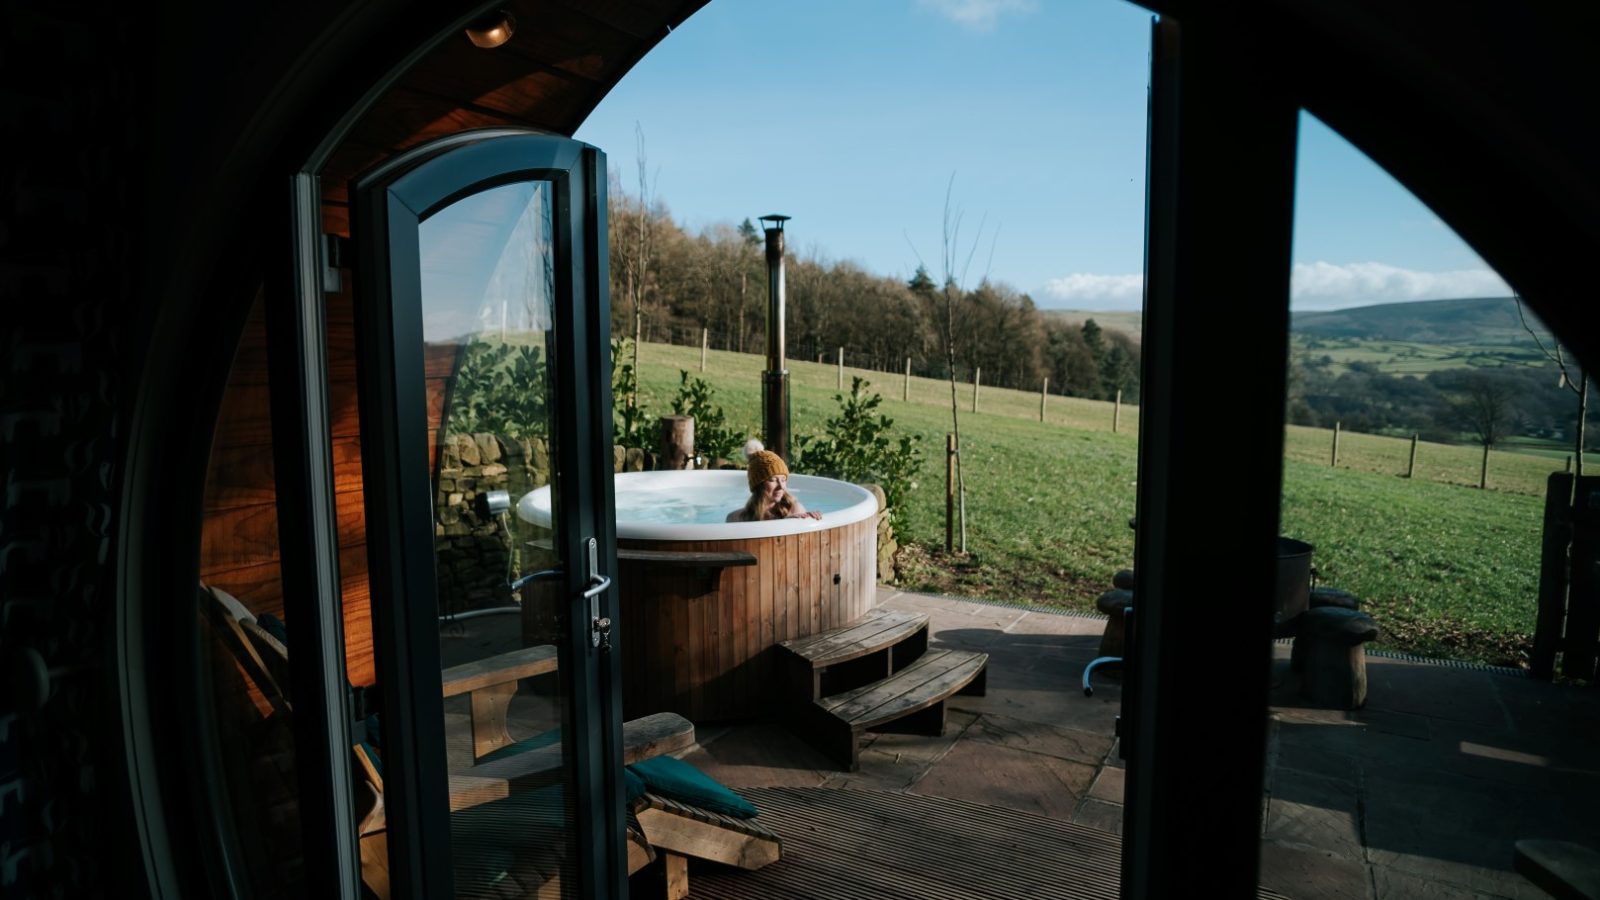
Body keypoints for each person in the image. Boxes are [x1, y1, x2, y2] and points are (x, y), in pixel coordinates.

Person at [726, 439, 822, 522]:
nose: (781, 486)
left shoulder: (795, 510)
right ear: (758, 485)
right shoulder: (736, 519)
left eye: (783, 480)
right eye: (773, 480)